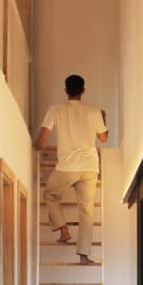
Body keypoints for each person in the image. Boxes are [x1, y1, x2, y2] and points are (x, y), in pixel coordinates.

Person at [33, 74, 108, 266]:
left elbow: (41, 140)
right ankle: (84, 255)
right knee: (87, 212)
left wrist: (35, 147)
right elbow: (103, 138)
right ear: (83, 90)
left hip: (67, 167)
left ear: (65, 90)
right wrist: (103, 119)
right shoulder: (94, 111)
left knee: (50, 195)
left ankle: (63, 229)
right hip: (90, 167)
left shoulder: (56, 110)